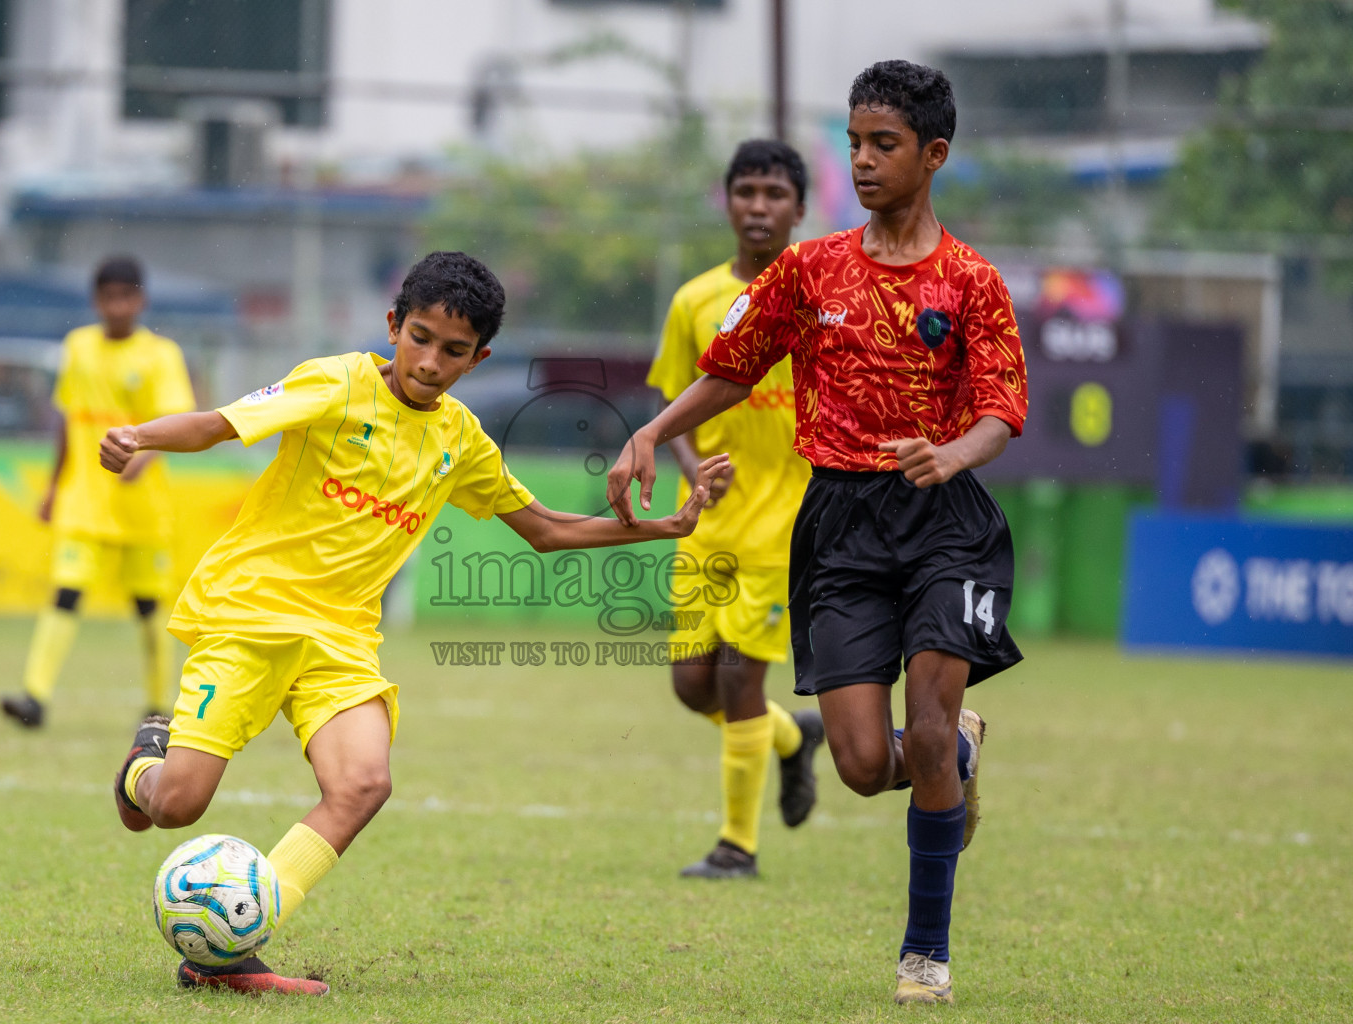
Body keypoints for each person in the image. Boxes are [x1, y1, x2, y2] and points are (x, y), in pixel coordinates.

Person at [102, 251, 730, 995]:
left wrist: (667, 529)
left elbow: (547, 529)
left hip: (340, 642)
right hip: (250, 614)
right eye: (421, 337)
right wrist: (140, 436)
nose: (431, 361)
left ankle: (232, 951)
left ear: (479, 357)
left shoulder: (461, 440)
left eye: (453, 350)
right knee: (176, 804)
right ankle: (143, 764)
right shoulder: (333, 380)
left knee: (363, 784)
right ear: (394, 324)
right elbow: (219, 424)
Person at [607, 61, 1028, 1005]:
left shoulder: (972, 282)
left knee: (915, 727)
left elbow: (1003, 407)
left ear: (935, 155)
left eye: (884, 145)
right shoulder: (811, 269)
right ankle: (956, 751)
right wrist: (651, 432)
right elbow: (731, 367)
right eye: (855, 142)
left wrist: (955, 453)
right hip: (838, 526)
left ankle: (926, 954)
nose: (864, 160)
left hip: (943, 525)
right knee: (863, 763)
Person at [645, 139, 826, 880]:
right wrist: (691, 471)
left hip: (785, 524)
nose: (759, 206)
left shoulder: (821, 297)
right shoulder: (695, 300)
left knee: (739, 683)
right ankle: (790, 739)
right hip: (707, 523)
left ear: (799, 208)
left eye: (774, 193)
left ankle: (736, 846)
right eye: (746, 191)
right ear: (728, 201)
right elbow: (671, 398)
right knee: (693, 686)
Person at [0, 256, 195, 729]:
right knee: (65, 592)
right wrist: (53, 487)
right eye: (108, 297)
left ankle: (157, 704)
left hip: (140, 504)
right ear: (96, 301)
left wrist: (141, 458)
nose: (117, 306)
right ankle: (35, 697)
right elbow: (68, 420)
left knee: (147, 605)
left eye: (126, 297)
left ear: (141, 300)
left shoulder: (159, 356)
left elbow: (176, 422)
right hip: (83, 498)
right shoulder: (79, 348)